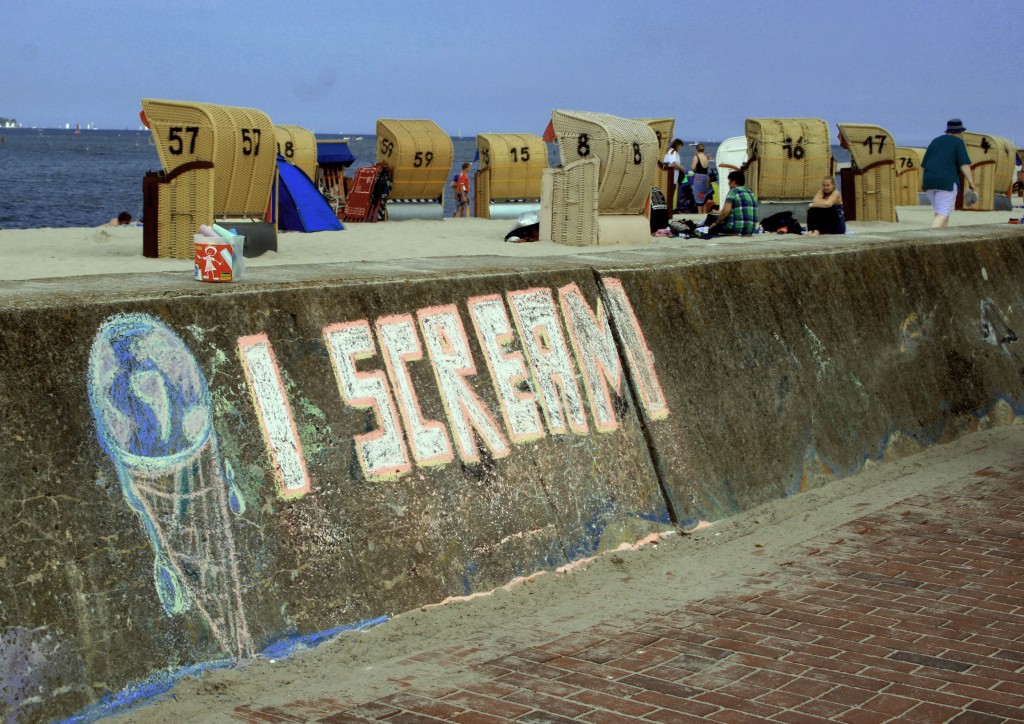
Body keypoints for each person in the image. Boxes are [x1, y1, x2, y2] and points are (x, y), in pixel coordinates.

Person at [921, 118, 976, 228]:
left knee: (939, 212)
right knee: (943, 214)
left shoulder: (935, 141)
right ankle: (928, 238)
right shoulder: (958, 142)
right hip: (946, 182)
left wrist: (922, 183)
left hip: (928, 181)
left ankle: (940, 239)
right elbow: (964, 164)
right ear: (960, 132)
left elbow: (923, 165)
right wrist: (971, 183)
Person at [706, 170, 758, 236]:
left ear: (733, 182)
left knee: (711, 220)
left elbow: (725, 212)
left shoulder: (734, 191)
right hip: (750, 230)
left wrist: (716, 223)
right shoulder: (750, 192)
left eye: (729, 181)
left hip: (735, 228)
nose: (728, 184)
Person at [662, 139, 687, 213]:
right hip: (672, 177)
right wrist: (681, 168)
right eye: (680, 146)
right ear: (678, 145)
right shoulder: (673, 152)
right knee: (669, 195)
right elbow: (672, 164)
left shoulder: (670, 152)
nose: (680, 148)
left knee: (669, 195)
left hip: (673, 177)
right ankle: (668, 211)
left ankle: (667, 211)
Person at [690, 143, 715, 213]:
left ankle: (699, 216)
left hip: (699, 178)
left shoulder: (696, 157)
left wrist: (695, 170)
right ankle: (704, 216)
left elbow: (693, 168)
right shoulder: (705, 157)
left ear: (697, 149)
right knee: (705, 197)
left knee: (699, 198)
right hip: (706, 177)